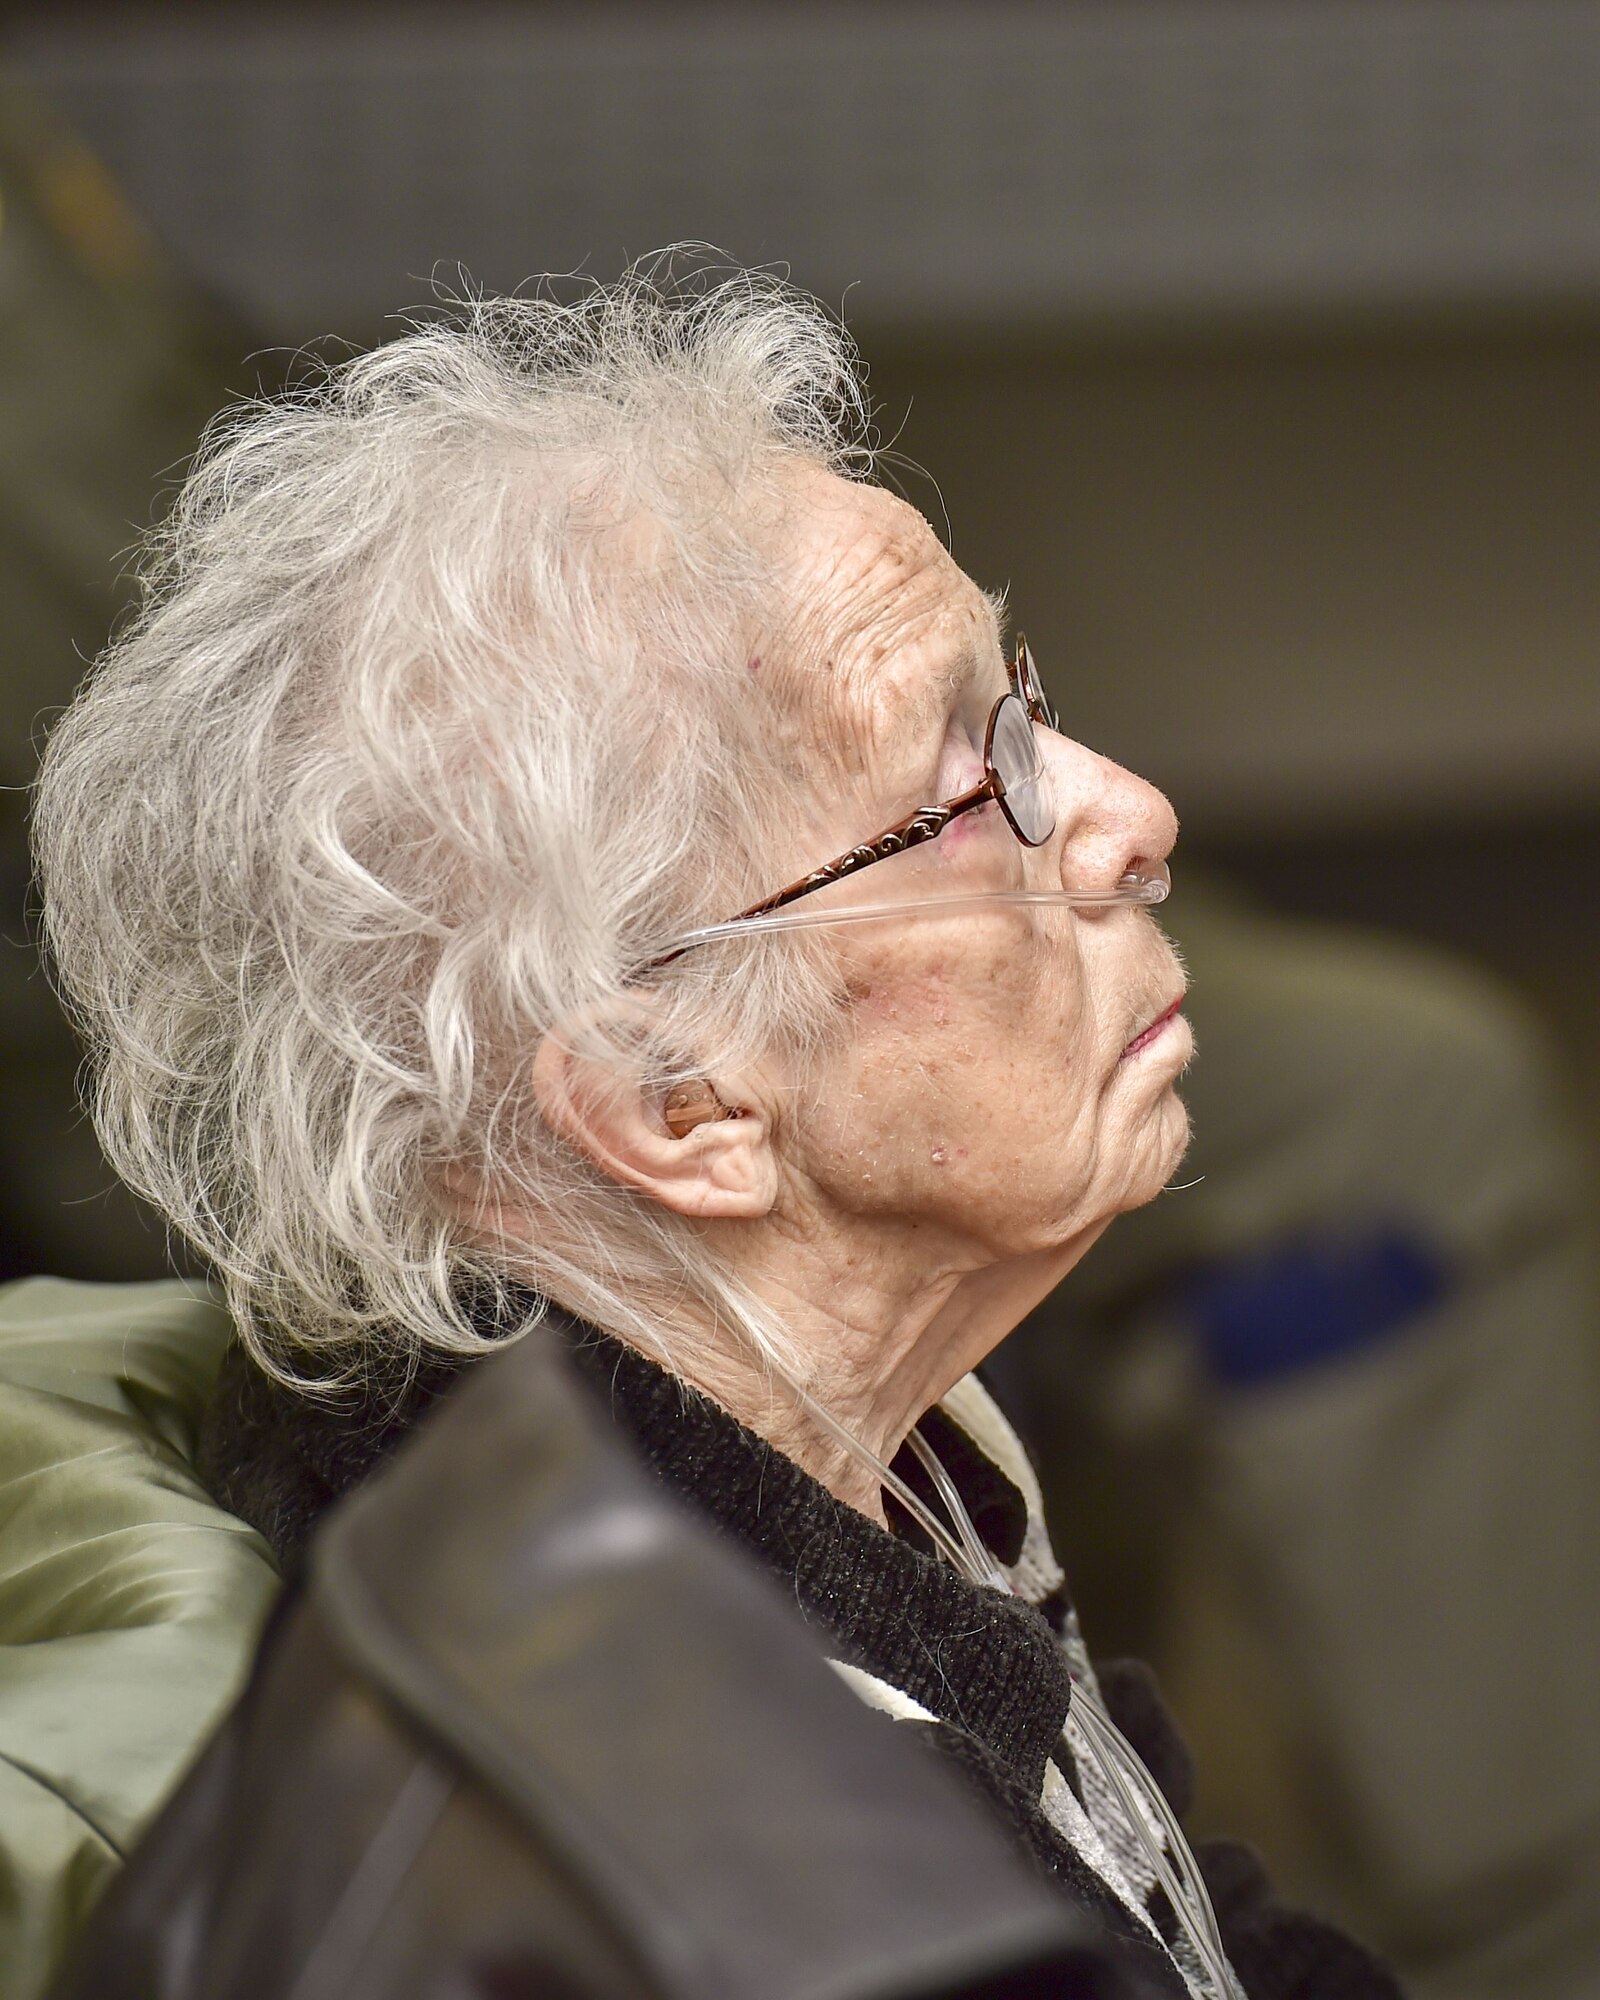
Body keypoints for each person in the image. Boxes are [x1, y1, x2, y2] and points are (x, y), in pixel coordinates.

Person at [32, 264, 1401, 1998]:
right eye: (971, 797)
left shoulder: (776, 1456)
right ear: (679, 1109)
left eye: (1024, 705)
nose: (1131, 816)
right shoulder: (796, 1894)